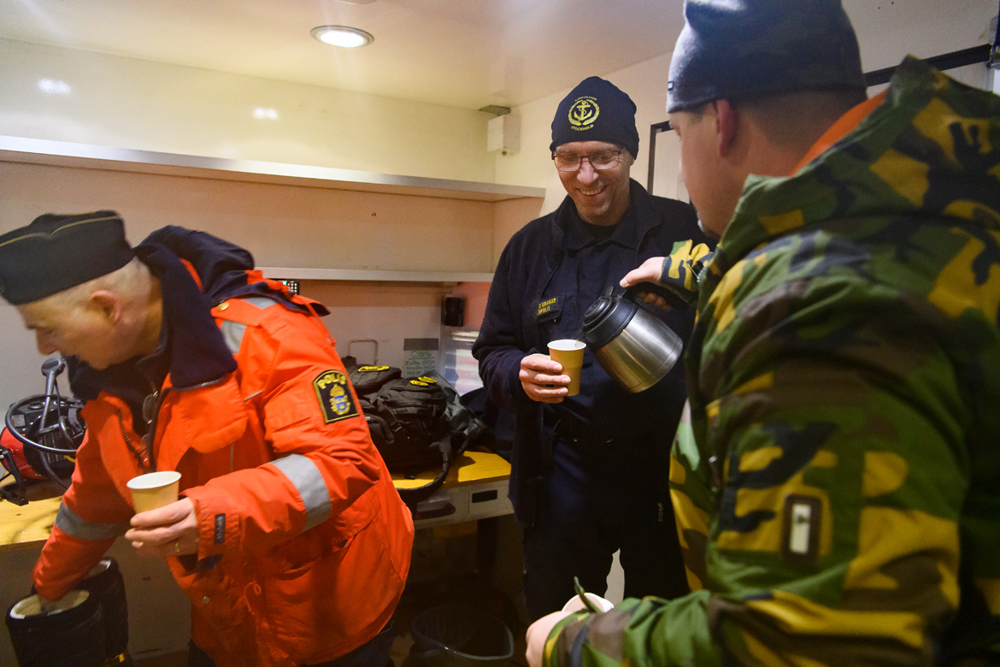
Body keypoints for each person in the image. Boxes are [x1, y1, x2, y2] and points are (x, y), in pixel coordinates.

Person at [525, 0, 1000, 665]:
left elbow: (802, 638)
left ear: (719, 122)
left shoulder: (812, 310)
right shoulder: (942, 208)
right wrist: (690, 266)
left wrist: (572, 643)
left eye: (678, 136)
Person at [0, 212, 415, 667]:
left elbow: (341, 461)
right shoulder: (107, 380)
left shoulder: (270, 332)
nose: (44, 347)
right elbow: (93, 500)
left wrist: (214, 516)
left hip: (330, 614)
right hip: (227, 614)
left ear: (106, 307)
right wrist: (48, 586)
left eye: (47, 327)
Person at [473, 75, 712, 621]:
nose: (585, 176)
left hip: (663, 464)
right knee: (559, 619)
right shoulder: (528, 248)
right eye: (568, 158)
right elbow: (493, 350)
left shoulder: (683, 229)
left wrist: (692, 278)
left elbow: (739, 302)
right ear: (554, 158)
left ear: (628, 153)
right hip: (562, 470)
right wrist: (519, 375)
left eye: (602, 156)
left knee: (664, 619)